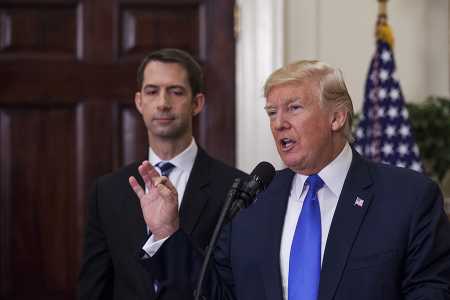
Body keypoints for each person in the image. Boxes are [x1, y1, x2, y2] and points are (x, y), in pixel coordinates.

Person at [136, 59, 450, 300]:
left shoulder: (407, 198)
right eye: (272, 113)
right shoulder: (253, 201)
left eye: (293, 108)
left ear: (336, 117)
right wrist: (166, 231)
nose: (279, 123)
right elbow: (211, 292)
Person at [78, 48, 245, 300]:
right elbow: (94, 288)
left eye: (176, 92)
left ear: (197, 103)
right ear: (139, 102)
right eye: (152, 91)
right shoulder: (107, 191)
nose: (163, 103)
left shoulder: (235, 188)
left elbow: (236, 287)